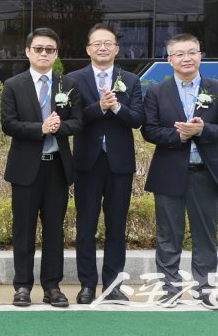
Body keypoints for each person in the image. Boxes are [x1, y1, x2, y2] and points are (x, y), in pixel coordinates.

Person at [142, 33, 218, 310]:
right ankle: (169, 290)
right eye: (179, 54)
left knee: (205, 235)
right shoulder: (156, 92)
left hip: (205, 173)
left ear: (201, 55)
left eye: (192, 52)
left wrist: (203, 130)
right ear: (169, 59)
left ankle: (205, 289)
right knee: (167, 235)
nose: (186, 58)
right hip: (168, 171)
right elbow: (148, 131)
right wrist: (181, 137)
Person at [1, 27, 83, 308]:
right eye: (39, 49)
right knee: (23, 229)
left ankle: (52, 286)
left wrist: (59, 128)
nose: (44, 53)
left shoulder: (68, 84)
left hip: (57, 168)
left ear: (56, 54)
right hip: (25, 169)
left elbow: (78, 122)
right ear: (28, 52)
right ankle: (22, 286)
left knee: (54, 231)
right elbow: (8, 124)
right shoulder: (13, 84)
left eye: (50, 49)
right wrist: (41, 128)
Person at [70, 23, 144, 305]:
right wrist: (98, 107)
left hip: (119, 164)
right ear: (88, 49)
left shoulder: (131, 80)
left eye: (108, 43)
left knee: (116, 226)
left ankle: (113, 285)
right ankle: (87, 284)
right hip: (87, 163)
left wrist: (116, 108)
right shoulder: (74, 80)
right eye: (97, 43)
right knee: (85, 226)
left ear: (116, 49)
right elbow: (73, 119)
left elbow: (137, 120)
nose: (102, 48)